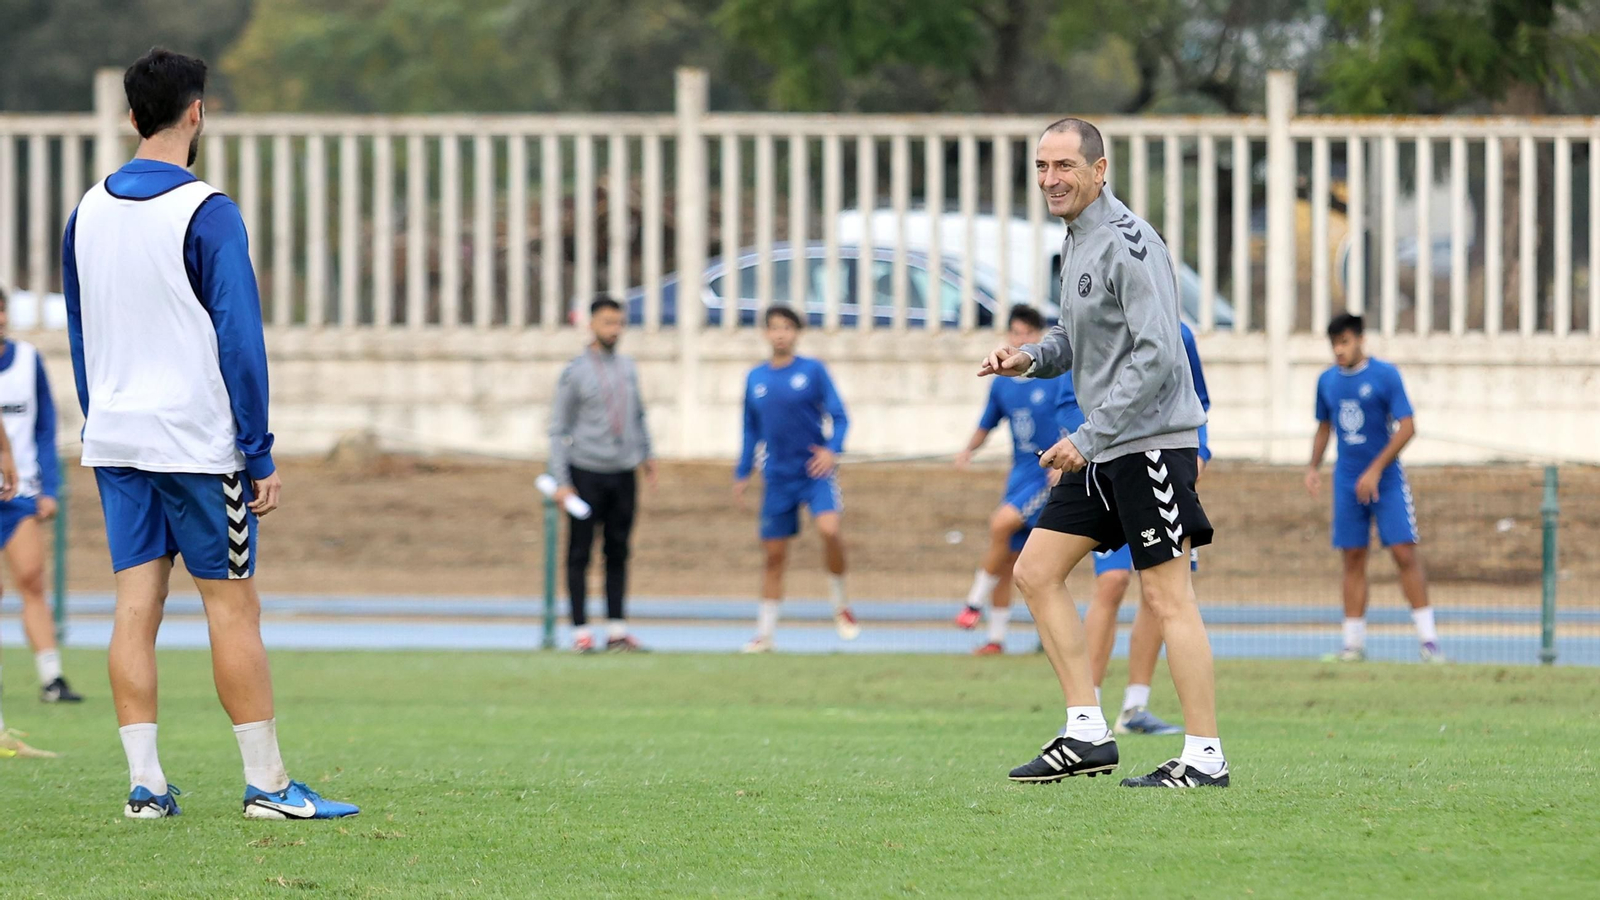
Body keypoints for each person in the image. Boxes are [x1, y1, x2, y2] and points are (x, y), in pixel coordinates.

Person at [62, 47, 358, 819]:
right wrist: (257, 447)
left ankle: (145, 788)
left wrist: (102, 418)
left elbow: (82, 333)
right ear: (198, 112)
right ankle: (266, 785)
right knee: (233, 608)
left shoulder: (85, 211)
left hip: (116, 438)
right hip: (194, 443)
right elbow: (239, 339)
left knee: (135, 607)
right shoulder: (208, 210)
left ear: (132, 117)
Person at [981, 116, 1229, 788]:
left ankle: (1205, 756)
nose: (1050, 179)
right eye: (1041, 167)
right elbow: (1079, 340)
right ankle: (1087, 731)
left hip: (1144, 446)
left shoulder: (1129, 243)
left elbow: (1156, 354)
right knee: (1033, 572)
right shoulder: (1076, 244)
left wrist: (1085, 439)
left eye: (1064, 166)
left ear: (1099, 169)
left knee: (1168, 597)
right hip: (1103, 449)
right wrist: (1029, 357)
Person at [1064, 321, 1211, 737]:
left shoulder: (1175, 332)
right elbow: (1066, 399)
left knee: (1162, 592)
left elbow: (1197, 398)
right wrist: (1077, 443)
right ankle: (1086, 711)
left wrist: (1200, 453)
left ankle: (1135, 707)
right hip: (1106, 474)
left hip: (1161, 470)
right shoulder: (1094, 327)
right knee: (1110, 582)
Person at [1306, 312, 1441, 663]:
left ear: (1360, 340)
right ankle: (1353, 645)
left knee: (1402, 552)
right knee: (1352, 556)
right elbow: (1325, 427)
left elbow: (1408, 426)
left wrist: (1375, 470)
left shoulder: (1385, 375)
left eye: (1345, 342)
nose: (1339, 349)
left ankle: (1429, 643)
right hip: (1347, 482)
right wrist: (1313, 467)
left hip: (1387, 481)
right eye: (1334, 343)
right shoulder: (1327, 381)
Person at [734, 306, 858, 653]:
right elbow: (750, 429)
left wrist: (831, 450)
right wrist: (742, 471)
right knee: (774, 556)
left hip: (814, 474)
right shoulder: (755, 378)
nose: (780, 334)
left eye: (787, 327)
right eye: (774, 327)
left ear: (796, 333)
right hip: (777, 478)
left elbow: (840, 416)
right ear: (765, 333)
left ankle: (840, 605)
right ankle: (765, 634)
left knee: (830, 530)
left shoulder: (813, 371)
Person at [548, 296, 657, 653]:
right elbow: (557, 429)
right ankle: (580, 630)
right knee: (580, 552)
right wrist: (561, 480)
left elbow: (638, 414)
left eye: (619, 323)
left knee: (619, 550)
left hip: (622, 471)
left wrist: (646, 454)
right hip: (586, 471)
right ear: (592, 324)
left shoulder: (627, 367)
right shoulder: (575, 371)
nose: (614, 329)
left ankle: (616, 628)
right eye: (608, 322)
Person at [952, 305, 1054, 655]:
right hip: (1019, 475)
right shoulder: (1002, 384)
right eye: (1015, 333)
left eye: (1028, 333)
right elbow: (986, 424)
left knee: (1001, 526)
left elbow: (1077, 415)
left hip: (1048, 476)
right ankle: (996, 638)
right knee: (1010, 559)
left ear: (1039, 337)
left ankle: (973, 603)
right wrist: (967, 451)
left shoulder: (1057, 376)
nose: (1021, 340)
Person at [0, 287, 83, 704]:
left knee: (32, 580)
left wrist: (49, 487)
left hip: (19, 495)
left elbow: (45, 427)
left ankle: (52, 678)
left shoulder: (28, 360)